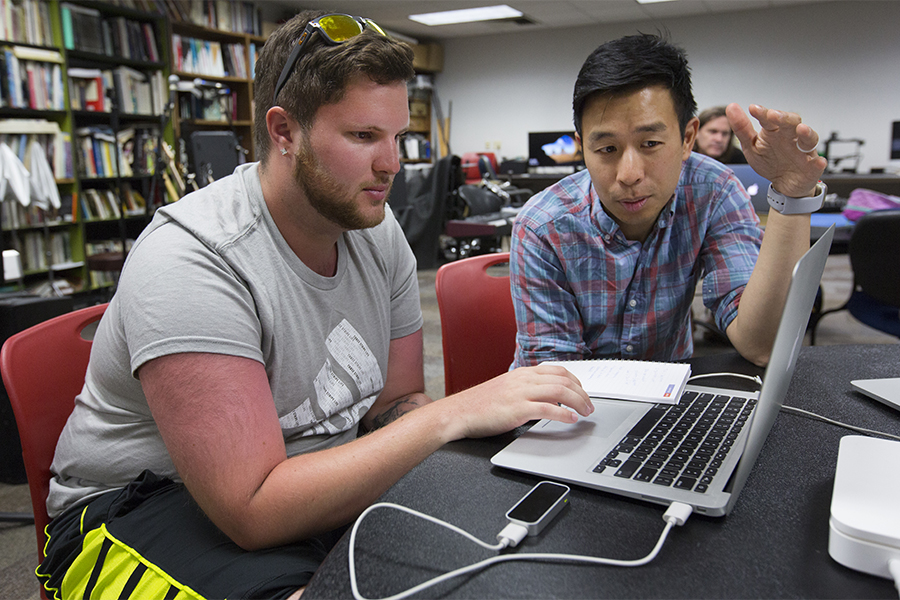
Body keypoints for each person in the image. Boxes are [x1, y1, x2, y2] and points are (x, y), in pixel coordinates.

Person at [38, 10, 592, 599]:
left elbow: (396, 404)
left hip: (306, 488)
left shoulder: (375, 230)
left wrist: (485, 457)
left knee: (491, 559)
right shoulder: (193, 260)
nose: (393, 164)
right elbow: (252, 511)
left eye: (397, 136)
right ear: (284, 132)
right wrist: (454, 414)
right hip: (141, 507)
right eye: (363, 137)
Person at [510, 33, 827, 369]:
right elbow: (552, 381)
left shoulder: (714, 192)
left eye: (650, 143)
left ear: (687, 137)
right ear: (582, 148)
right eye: (607, 149)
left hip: (670, 399)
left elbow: (761, 346)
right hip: (575, 404)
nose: (629, 174)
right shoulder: (542, 226)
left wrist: (790, 194)